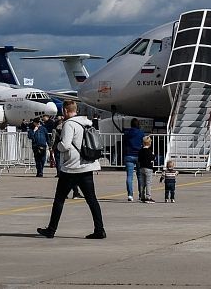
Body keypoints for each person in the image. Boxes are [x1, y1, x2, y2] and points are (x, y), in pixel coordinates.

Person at [37, 100, 106, 239]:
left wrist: (57, 147)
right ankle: (100, 229)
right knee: (92, 199)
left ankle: (51, 229)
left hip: (71, 168)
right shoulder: (86, 123)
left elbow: (66, 145)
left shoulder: (69, 124)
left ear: (65, 111)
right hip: (87, 166)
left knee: (59, 199)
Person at [50, 117, 82, 199]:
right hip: (69, 152)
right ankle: (75, 192)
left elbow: (53, 140)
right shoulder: (67, 128)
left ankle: (67, 193)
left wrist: (51, 148)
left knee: (65, 174)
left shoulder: (56, 130)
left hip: (59, 150)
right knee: (71, 175)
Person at [117, 118, 144, 202]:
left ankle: (130, 195)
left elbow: (124, 142)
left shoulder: (127, 133)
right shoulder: (141, 133)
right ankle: (141, 194)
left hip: (128, 155)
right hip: (139, 155)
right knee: (140, 176)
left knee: (129, 176)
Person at [138, 136, 155, 203]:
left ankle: (142, 196)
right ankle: (148, 197)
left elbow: (139, 159)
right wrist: (153, 155)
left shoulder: (140, 151)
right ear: (149, 143)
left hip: (141, 167)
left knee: (142, 183)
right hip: (148, 168)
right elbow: (153, 158)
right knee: (148, 183)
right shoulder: (149, 151)